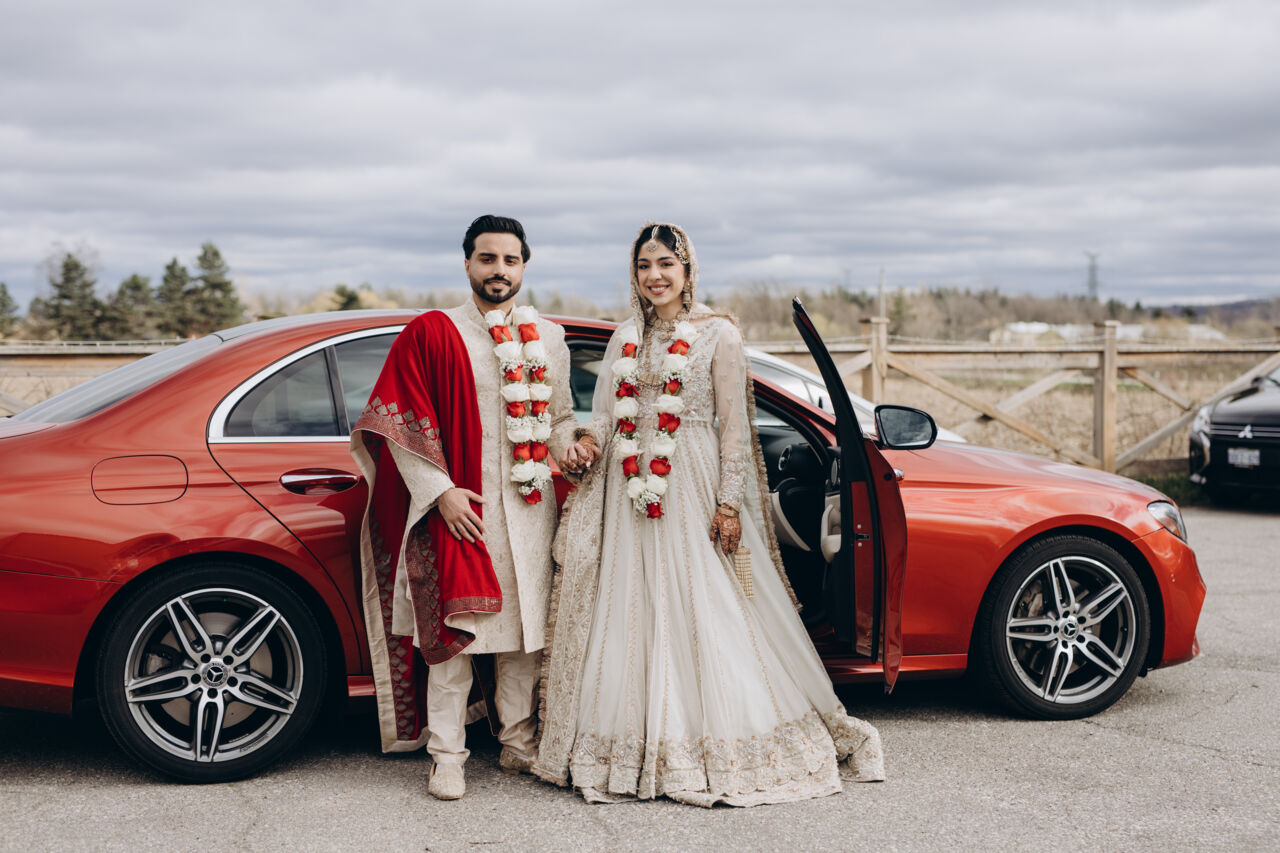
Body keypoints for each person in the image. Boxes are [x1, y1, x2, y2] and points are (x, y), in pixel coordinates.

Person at [534, 222, 885, 807]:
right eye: (644, 265)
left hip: (691, 481)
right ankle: (633, 741)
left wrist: (728, 503)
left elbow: (734, 429)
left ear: (688, 269)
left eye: (666, 264)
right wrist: (587, 443)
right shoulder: (625, 336)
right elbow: (607, 418)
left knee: (707, 601)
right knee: (631, 605)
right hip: (627, 490)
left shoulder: (718, 334)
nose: (655, 276)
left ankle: (716, 736)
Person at [351, 215, 594, 800]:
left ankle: (518, 741)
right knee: (456, 635)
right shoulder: (433, 333)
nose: (498, 270)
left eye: (510, 260)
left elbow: (558, 418)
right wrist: (440, 492)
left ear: (524, 266)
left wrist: (573, 448)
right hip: (460, 510)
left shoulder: (549, 338)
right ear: (467, 264)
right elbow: (402, 424)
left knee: (523, 635)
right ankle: (447, 755)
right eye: (487, 258)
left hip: (530, 513)